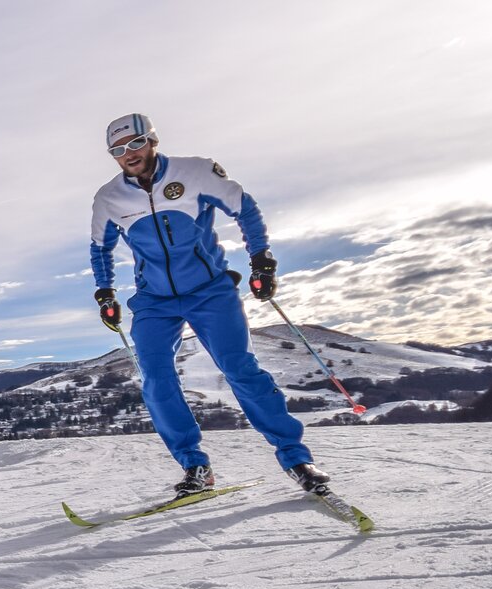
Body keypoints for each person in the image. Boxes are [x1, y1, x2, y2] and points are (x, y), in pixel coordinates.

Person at [86, 113, 329, 496]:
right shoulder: (109, 198)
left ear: (152, 140)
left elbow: (244, 208)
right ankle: (195, 466)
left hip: (210, 290)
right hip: (154, 300)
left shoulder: (196, 171)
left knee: (240, 369)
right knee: (155, 377)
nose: (128, 154)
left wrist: (262, 261)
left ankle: (296, 458)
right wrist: (105, 293)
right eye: (117, 150)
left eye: (135, 144)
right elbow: (100, 248)